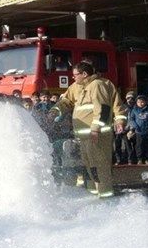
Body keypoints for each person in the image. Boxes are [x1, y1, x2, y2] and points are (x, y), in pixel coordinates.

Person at [50, 62, 126, 198]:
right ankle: (94, 194)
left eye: (75, 75)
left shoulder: (97, 85)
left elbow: (103, 109)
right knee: (90, 166)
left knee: (100, 166)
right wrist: (55, 110)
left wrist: (96, 129)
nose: (73, 78)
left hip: (97, 135)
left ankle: (106, 198)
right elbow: (66, 100)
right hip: (85, 136)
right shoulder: (77, 87)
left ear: (84, 74)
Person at [128, 95, 148, 165]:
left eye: (142, 102)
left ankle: (147, 159)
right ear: (136, 102)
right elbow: (131, 119)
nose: (140, 103)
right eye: (139, 102)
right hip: (138, 131)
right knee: (139, 146)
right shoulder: (134, 110)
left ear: (146, 102)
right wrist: (135, 126)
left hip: (147, 131)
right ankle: (140, 159)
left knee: (147, 146)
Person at [115, 91, 136, 165]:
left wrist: (128, 129)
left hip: (127, 129)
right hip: (118, 128)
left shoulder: (135, 108)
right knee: (117, 145)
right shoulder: (122, 107)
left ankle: (130, 160)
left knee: (128, 145)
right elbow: (117, 117)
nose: (130, 100)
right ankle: (118, 160)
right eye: (128, 98)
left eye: (132, 98)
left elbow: (131, 120)